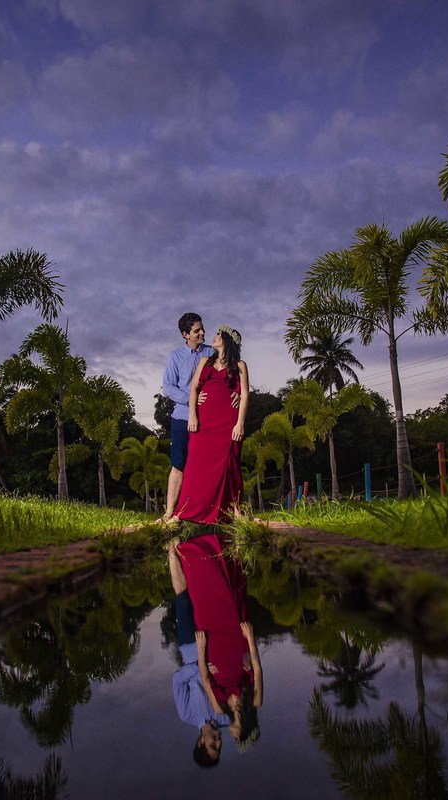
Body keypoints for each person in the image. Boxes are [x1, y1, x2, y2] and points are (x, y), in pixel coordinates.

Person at [176, 532, 263, 748]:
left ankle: (192, 549)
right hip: (236, 644)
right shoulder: (255, 701)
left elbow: (206, 680)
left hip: (213, 647)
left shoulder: (219, 710)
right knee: (233, 598)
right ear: (244, 732)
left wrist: (202, 650)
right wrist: (251, 639)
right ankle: (230, 542)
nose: (229, 738)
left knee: (203, 599)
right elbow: (257, 669)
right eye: (235, 738)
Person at [172, 324, 249, 525]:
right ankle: (183, 511)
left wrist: (240, 423)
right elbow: (194, 389)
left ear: (227, 340)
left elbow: (245, 394)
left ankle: (234, 511)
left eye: (218, 334)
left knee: (230, 465)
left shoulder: (240, 365)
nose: (213, 337)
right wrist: (192, 416)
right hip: (204, 422)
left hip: (228, 421)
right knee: (195, 465)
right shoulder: (205, 361)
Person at [168, 542, 231, 767]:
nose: (219, 741)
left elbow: (177, 679)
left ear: (200, 743)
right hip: (215, 646)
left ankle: (171, 547)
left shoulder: (187, 714)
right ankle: (200, 547)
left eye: (213, 745)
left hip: (189, 647)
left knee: (182, 599)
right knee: (207, 593)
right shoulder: (226, 717)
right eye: (220, 746)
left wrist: (199, 666)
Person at [160, 313, 215, 524]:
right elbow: (168, 386)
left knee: (206, 464)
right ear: (185, 335)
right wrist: (190, 399)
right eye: (196, 331)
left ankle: (206, 513)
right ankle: (169, 512)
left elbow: (228, 371)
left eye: (202, 328)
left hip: (208, 419)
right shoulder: (175, 357)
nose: (202, 333)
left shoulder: (211, 352)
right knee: (178, 464)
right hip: (182, 418)